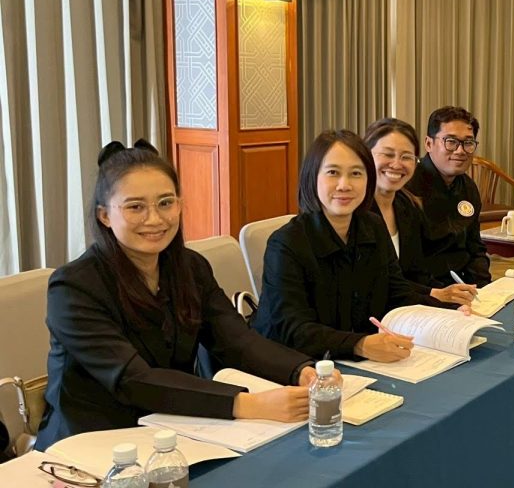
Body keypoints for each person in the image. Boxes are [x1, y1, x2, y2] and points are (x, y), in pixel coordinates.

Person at [36, 140, 327, 451]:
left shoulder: (191, 267)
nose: (154, 219)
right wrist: (247, 404)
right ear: (104, 215)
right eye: (135, 207)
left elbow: (237, 341)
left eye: (165, 203)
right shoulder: (73, 287)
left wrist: (301, 371)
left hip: (175, 429)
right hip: (87, 446)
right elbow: (133, 379)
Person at [252, 130, 444, 364]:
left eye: (356, 173)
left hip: (358, 363)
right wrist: (359, 345)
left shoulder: (372, 226)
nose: (344, 185)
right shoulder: (286, 243)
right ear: (313, 177)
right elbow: (292, 330)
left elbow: (397, 292)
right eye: (333, 172)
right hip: (294, 367)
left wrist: (448, 311)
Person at [364, 118, 477, 306]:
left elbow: (415, 273)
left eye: (406, 157)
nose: (396, 164)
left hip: (407, 306)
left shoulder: (407, 205)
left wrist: (444, 295)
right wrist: (435, 295)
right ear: (365, 156)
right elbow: (376, 282)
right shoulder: (356, 211)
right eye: (388, 154)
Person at [405, 106, 492, 288]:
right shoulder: (408, 187)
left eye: (468, 143)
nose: (460, 151)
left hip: (464, 287)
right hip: (425, 290)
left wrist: (483, 287)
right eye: (451, 141)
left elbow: (475, 248)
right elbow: (409, 263)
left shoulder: (468, 187)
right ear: (428, 144)